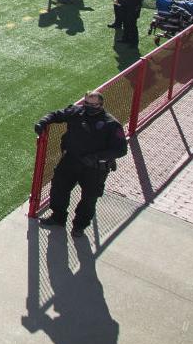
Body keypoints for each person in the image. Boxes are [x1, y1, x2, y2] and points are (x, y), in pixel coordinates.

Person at [35, 92, 128, 238]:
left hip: (94, 168)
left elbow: (121, 149)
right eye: (87, 104)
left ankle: (79, 226)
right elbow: (56, 115)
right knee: (59, 188)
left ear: (101, 105)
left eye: (94, 104)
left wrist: (96, 157)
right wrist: (43, 122)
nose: (90, 107)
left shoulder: (111, 124)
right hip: (71, 160)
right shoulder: (76, 112)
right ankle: (58, 217)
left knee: (89, 198)